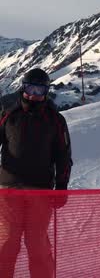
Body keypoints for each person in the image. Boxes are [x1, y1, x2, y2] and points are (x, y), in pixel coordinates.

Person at [0, 68, 73, 278]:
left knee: (37, 243)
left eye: (39, 90)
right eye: (30, 89)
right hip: (8, 190)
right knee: (7, 242)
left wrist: (61, 187)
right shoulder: (8, 115)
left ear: (46, 92)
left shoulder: (56, 120)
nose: (34, 95)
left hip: (40, 192)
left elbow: (63, 155)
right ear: (23, 88)